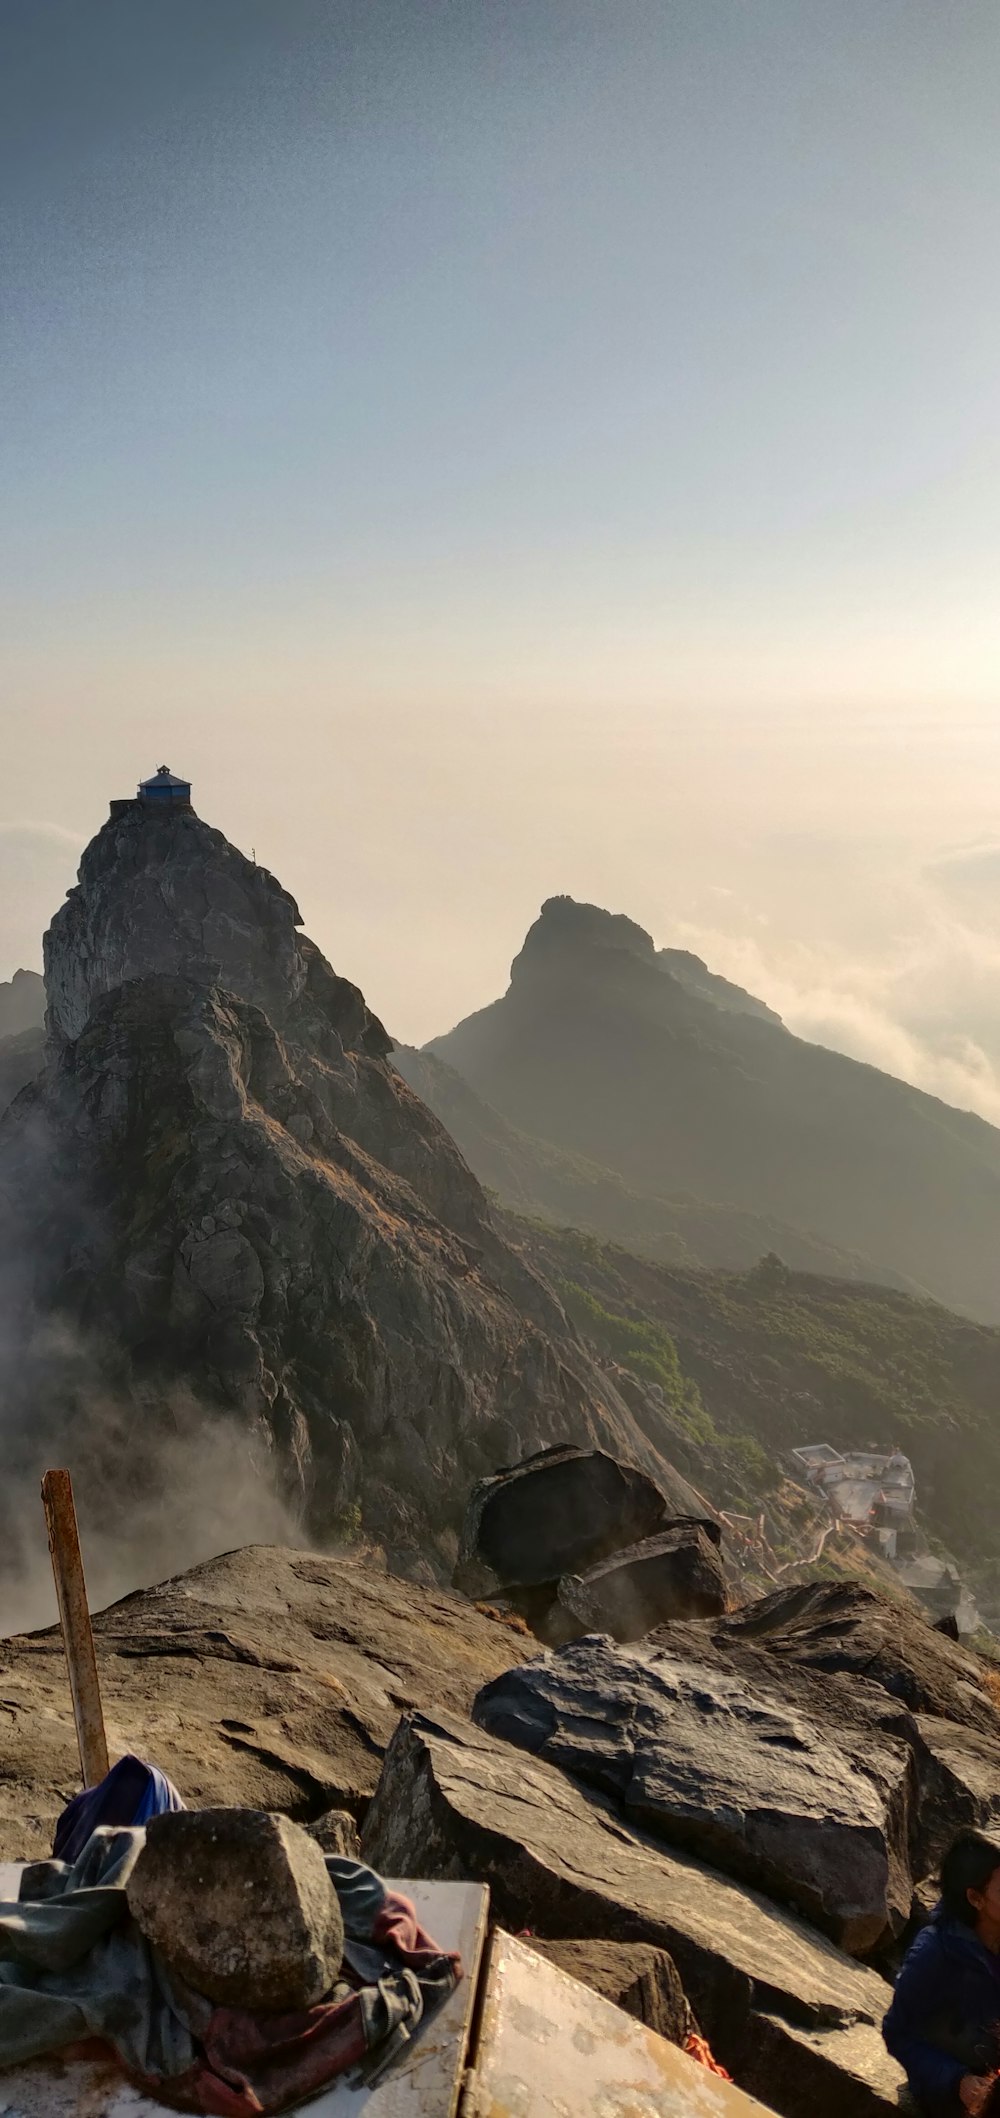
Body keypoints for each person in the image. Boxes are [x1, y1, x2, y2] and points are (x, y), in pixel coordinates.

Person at [884, 1833, 1000, 2116]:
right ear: (975, 1898)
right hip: (956, 2093)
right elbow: (898, 2034)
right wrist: (957, 2080)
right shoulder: (934, 1953)